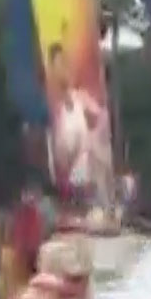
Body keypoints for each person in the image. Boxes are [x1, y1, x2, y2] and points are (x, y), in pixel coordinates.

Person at [46, 43, 113, 207]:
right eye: (58, 65)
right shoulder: (50, 104)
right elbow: (56, 148)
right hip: (62, 175)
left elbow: (102, 115)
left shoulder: (79, 97)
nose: (63, 70)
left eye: (65, 63)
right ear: (51, 70)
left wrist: (95, 137)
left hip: (84, 175)